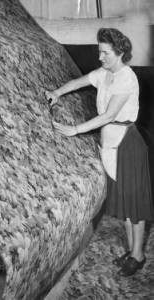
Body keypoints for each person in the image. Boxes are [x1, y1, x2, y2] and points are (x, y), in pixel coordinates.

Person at [45, 27, 154, 276]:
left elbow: (109, 115)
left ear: (120, 52)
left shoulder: (126, 78)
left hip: (127, 144)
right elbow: (79, 81)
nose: (100, 57)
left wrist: (75, 129)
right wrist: (56, 93)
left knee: (134, 208)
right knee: (127, 206)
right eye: (99, 52)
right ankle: (132, 250)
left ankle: (138, 255)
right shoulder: (104, 73)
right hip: (111, 143)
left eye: (104, 53)